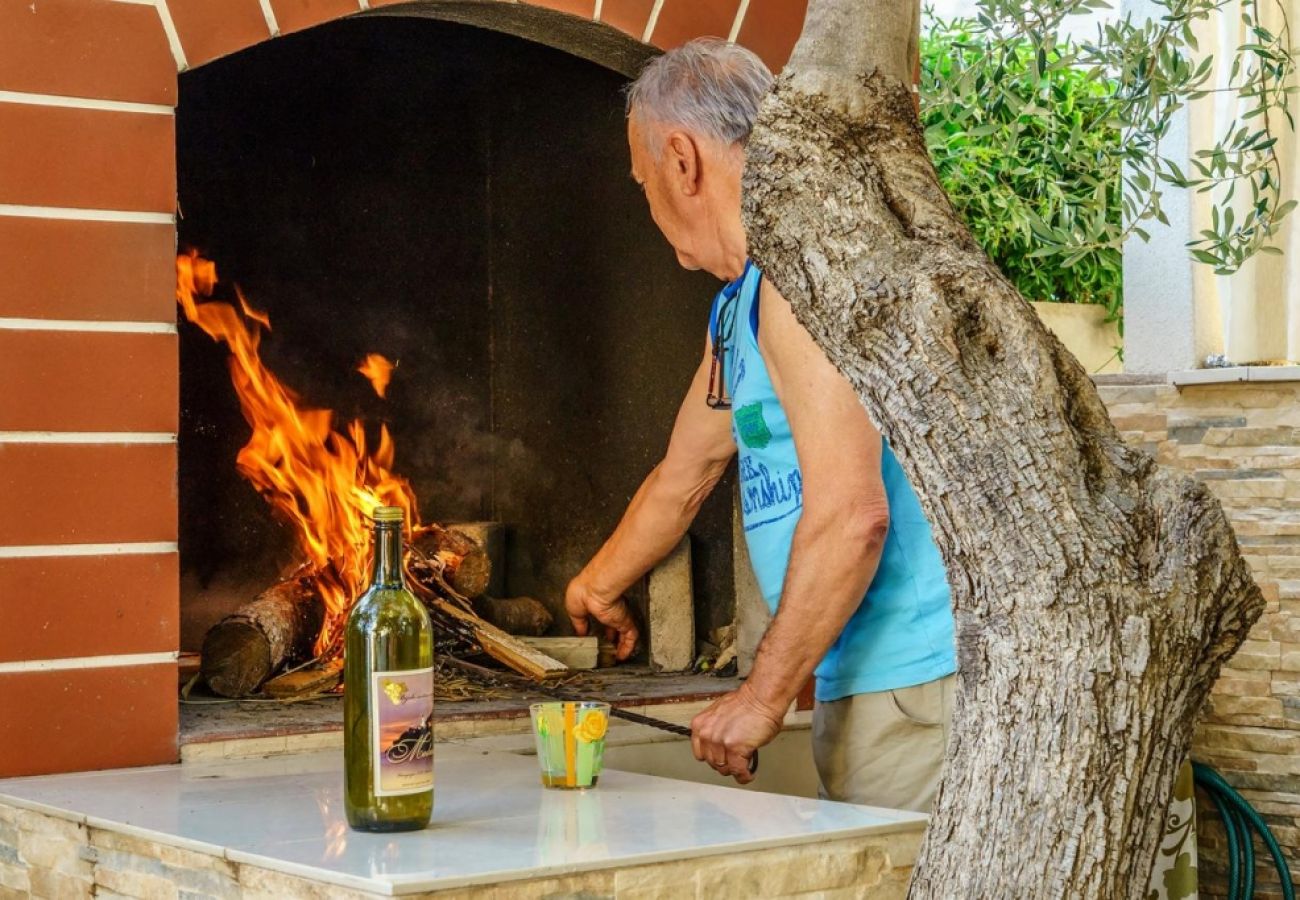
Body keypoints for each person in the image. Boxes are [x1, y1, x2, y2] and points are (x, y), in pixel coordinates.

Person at [564, 38, 957, 813]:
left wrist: (760, 699)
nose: (650, 209)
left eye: (644, 184)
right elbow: (686, 475)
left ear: (683, 162)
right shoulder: (743, 304)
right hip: (878, 686)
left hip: (917, 689)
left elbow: (854, 516)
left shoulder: (797, 285)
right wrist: (596, 586)